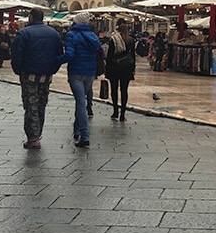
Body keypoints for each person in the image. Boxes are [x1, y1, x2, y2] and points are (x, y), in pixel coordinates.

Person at [10, 8, 63, 150]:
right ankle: (37, 134)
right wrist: (53, 69)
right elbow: (59, 54)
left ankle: (33, 138)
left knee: (31, 104)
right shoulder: (54, 34)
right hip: (46, 75)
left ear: (31, 17)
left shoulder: (24, 33)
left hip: (29, 74)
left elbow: (16, 54)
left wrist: (18, 70)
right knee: (41, 104)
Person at [58, 11, 101, 148]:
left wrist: (56, 60)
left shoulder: (72, 35)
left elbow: (70, 54)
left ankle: (85, 135)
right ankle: (77, 129)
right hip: (90, 72)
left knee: (81, 102)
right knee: (81, 100)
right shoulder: (93, 36)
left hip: (76, 72)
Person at [106, 18, 136, 122]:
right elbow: (133, 56)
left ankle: (115, 111)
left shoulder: (114, 39)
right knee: (124, 90)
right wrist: (133, 69)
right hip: (127, 68)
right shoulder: (130, 40)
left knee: (114, 90)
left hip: (115, 67)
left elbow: (109, 56)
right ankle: (123, 114)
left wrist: (107, 68)